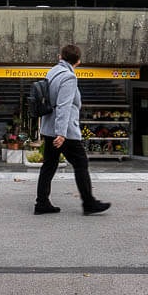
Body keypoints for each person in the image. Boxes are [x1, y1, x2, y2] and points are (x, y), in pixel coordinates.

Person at [35, 44, 111, 216]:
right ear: (78, 61)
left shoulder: (52, 71)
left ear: (60, 57)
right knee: (81, 163)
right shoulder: (69, 77)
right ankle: (89, 203)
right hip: (64, 130)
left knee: (49, 165)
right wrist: (61, 133)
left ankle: (42, 203)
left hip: (49, 127)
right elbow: (64, 106)